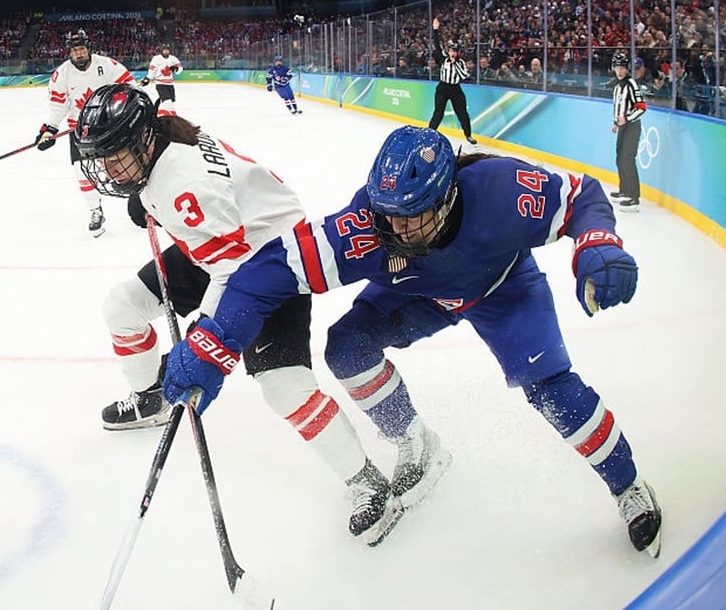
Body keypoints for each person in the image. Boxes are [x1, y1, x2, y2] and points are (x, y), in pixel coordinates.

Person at [161, 126, 663, 558]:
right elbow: (265, 274)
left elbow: (582, 198)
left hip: (502, 289)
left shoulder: (502, 189)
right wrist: (214, 342)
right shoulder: (366, 226)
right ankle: (415, 442)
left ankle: (629, 486)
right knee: (347, 347)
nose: (395, 228)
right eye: (388, 213)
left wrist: (598, 242)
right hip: (420, 291)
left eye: (411, 215)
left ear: (446, 198)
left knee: (555, 392)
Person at [74, 83, 402, 545]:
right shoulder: (165, 142)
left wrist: (202, 338)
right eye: (101, 158)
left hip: (274, 257)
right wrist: (141, 191)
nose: (106, 170)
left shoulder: (181, 186)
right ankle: (151, 397)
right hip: (224, 242)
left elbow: (231, 277)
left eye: (115, 157)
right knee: (122, 307)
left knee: (284, 388)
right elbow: (215, 243)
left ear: (144, 140)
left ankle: (367, 481)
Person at [34, 29, 136, 237]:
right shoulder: (61, 74)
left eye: (81, 49)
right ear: (69, 53)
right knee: (82, 172)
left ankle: (142, 203)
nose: (78, 53)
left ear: (88, 48)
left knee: (129, 165)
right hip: (81, 131)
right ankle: (95, 210)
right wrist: (48, 130)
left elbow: (129, 87)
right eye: (74, 50)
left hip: (109, 126)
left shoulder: (107, 65)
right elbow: (58, 108)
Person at [427, 17, 476, 144]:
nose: (453, 53)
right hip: (443, 88)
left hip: (455, 88)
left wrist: (455, 64)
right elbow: (436, 45)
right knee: (438, 112)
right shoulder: (443, 59)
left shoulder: (461, 63)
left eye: (455, 51)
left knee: (462, 113)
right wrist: (435, 30)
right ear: (448, 51)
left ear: (458, 53)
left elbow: (463, 75)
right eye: (451, 50)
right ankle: (429, 133)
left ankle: (468, 134)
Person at [608, 51, 646, 212]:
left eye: (623, 68)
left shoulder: (631, 84)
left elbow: (642, 107)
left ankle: (634, 197)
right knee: (620, 158)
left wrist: (627, 119)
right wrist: (616, 122)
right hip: (623, 126)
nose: (620, 71)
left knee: (628, 159)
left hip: (632, 127)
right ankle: (624, 189)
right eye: (617, 67)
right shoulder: (617, 86)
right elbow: (618, 107)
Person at [140, 43, 182, 116]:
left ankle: (163, 115)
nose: (166, 52)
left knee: (171, 102)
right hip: (160, 84)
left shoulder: (173, 59)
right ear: (161, 50)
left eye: (167, 50)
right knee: (167, 102)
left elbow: (180, 69)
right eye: (164, 50)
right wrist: (147, 78)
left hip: (170, 84)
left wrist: (176, 69)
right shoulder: (156, 59)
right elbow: (152, 70)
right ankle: (170, 117)